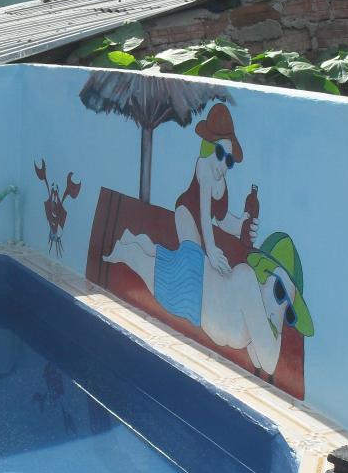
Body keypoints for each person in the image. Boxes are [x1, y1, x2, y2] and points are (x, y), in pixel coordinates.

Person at [103, 230, 313, 378]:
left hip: (195, 287)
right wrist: (279, 326)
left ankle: (137, 242)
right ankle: (128, 249)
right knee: (137, 261)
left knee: (149, 261)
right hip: (190, 284)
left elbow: (258, 359)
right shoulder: (247, 280)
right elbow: (269, 361)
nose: (280, 308)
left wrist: (279, 312)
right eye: (279, 292)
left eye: (289, 312)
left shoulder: (255, 315)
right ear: (263, 274)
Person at [173, 102, 256, 274]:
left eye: (229, 160)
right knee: (194, 259)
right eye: (220, 154)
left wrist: (242, 225)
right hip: (186, 214)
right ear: (209, 148)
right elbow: (205, 215)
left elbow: (222, 220)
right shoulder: (204, 168)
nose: (224, 165)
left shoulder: (222, 184)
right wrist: (210, 249)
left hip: (203, 227)